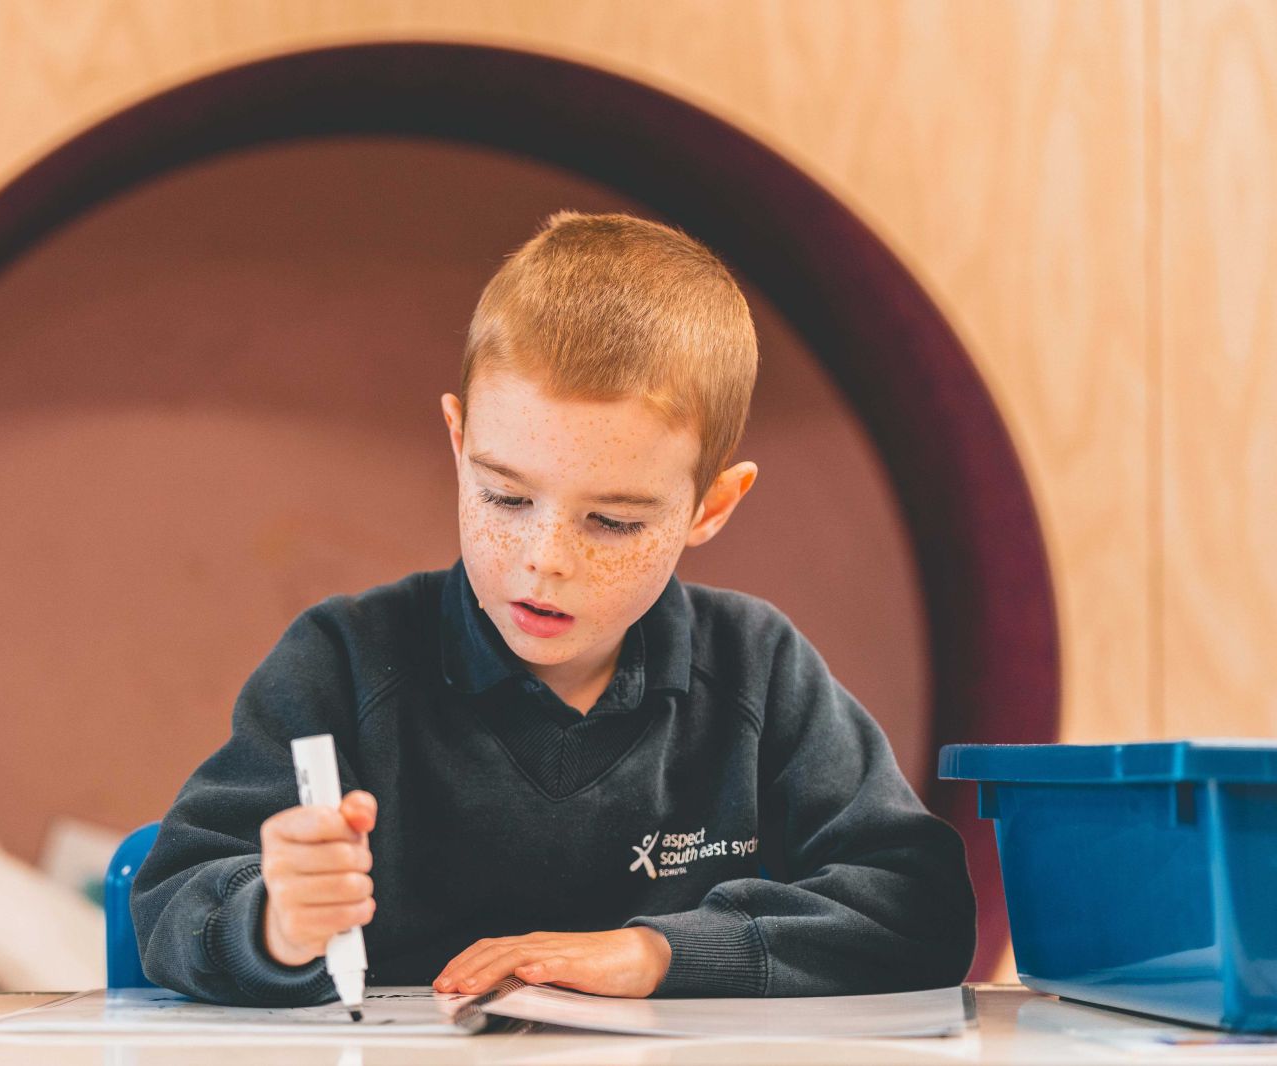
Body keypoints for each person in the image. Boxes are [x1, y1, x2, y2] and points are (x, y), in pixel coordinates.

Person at [130, 210, 976, 1007]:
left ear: (712, 506)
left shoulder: (759, 669)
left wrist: (658, 954)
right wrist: (273, 921)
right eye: (505, 498)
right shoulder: (343, 662)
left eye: (613, 520)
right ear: (459, 447)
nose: (545, 560)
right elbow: (171, 895)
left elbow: (918, 907)